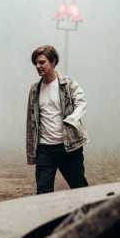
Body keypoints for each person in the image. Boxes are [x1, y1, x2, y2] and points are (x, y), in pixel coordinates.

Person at [26, 45, 89, 194]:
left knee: (79, 187)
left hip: (69, 146)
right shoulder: (35, 89)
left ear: (53, 62)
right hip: (45, 149)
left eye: (42, 62)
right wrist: (31, 151)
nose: (38, 66)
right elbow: (31, 121)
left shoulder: (68, 84)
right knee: (43, 192)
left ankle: (89, 209)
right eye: (36, 63)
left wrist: (71, 120)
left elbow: (81, 103)